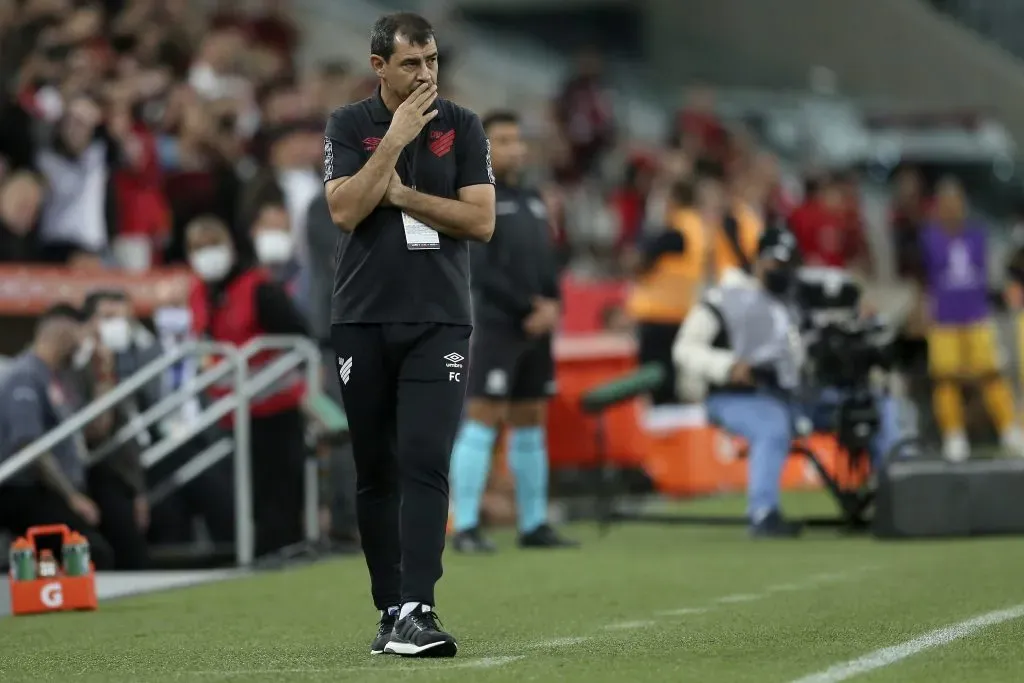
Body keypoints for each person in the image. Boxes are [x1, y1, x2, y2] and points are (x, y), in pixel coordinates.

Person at [322, 12, 495, 658]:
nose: (426, 75)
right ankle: (390, 608)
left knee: (425, 457)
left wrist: (406, 198)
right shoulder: (348, 126)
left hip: (439, 318)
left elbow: (480, 221)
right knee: (376, 467)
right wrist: (393, 140)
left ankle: (420, 608)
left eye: (433, 62)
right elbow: (344, 209)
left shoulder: (464, 126)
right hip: (362, 317)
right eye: (412, 64)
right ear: (379, 68)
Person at [448, 110, 576, 553]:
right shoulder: (473, 198)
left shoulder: (534, 198)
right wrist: (529, 307)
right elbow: (479, 271)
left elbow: (547, 261)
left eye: (515, 139)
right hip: (498, 325)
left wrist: (553, 303)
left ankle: (534, 523)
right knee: (483, 419)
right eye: (501, 140)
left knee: (530, 421)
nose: (514, 148)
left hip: (536, 327)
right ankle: (464, 525)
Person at [184, 215, 312, 557]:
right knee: (247, 491)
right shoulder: (199, 293)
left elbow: (299, 338)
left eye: (212, 246)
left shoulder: (259, 288)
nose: (206, 255)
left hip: (276, 407)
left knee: (280, 488)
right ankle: (259, 552)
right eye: (198, 248)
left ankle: (285, 552)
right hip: (233, 410)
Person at [672, 228, 805, 537]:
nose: (781, 272)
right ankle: (762, 512)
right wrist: (727, 366)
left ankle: (893, 500)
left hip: (790, 393)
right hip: (736, 396)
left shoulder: (793, 300)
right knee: (771, 425)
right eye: (776, 263)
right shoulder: (723, 297)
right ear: (758, 260)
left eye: (787, 265)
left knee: (871, 406)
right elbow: (683, 349)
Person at [0, 304, 116, 569]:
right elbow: (28, 444)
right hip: (24, 489)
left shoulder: (60, 380)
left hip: (53, 489)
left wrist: (104, 375)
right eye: (80, 335)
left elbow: (96, 430)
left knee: (103, 541)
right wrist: (71, 497)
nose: (83, 344)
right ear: (63, 334)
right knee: (91, 552)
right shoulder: (24, 376)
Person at [920, 177, 1022, 461]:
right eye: (946, 204)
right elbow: (925, 278)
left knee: (991, 374)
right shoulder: (929, 238)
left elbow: (985, 274)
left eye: (957, 203)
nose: (952, 209)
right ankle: (954, 435)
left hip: (976, 314)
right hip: (944, 318)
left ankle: (1009, 430)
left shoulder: (978, 235)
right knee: (946, 379)